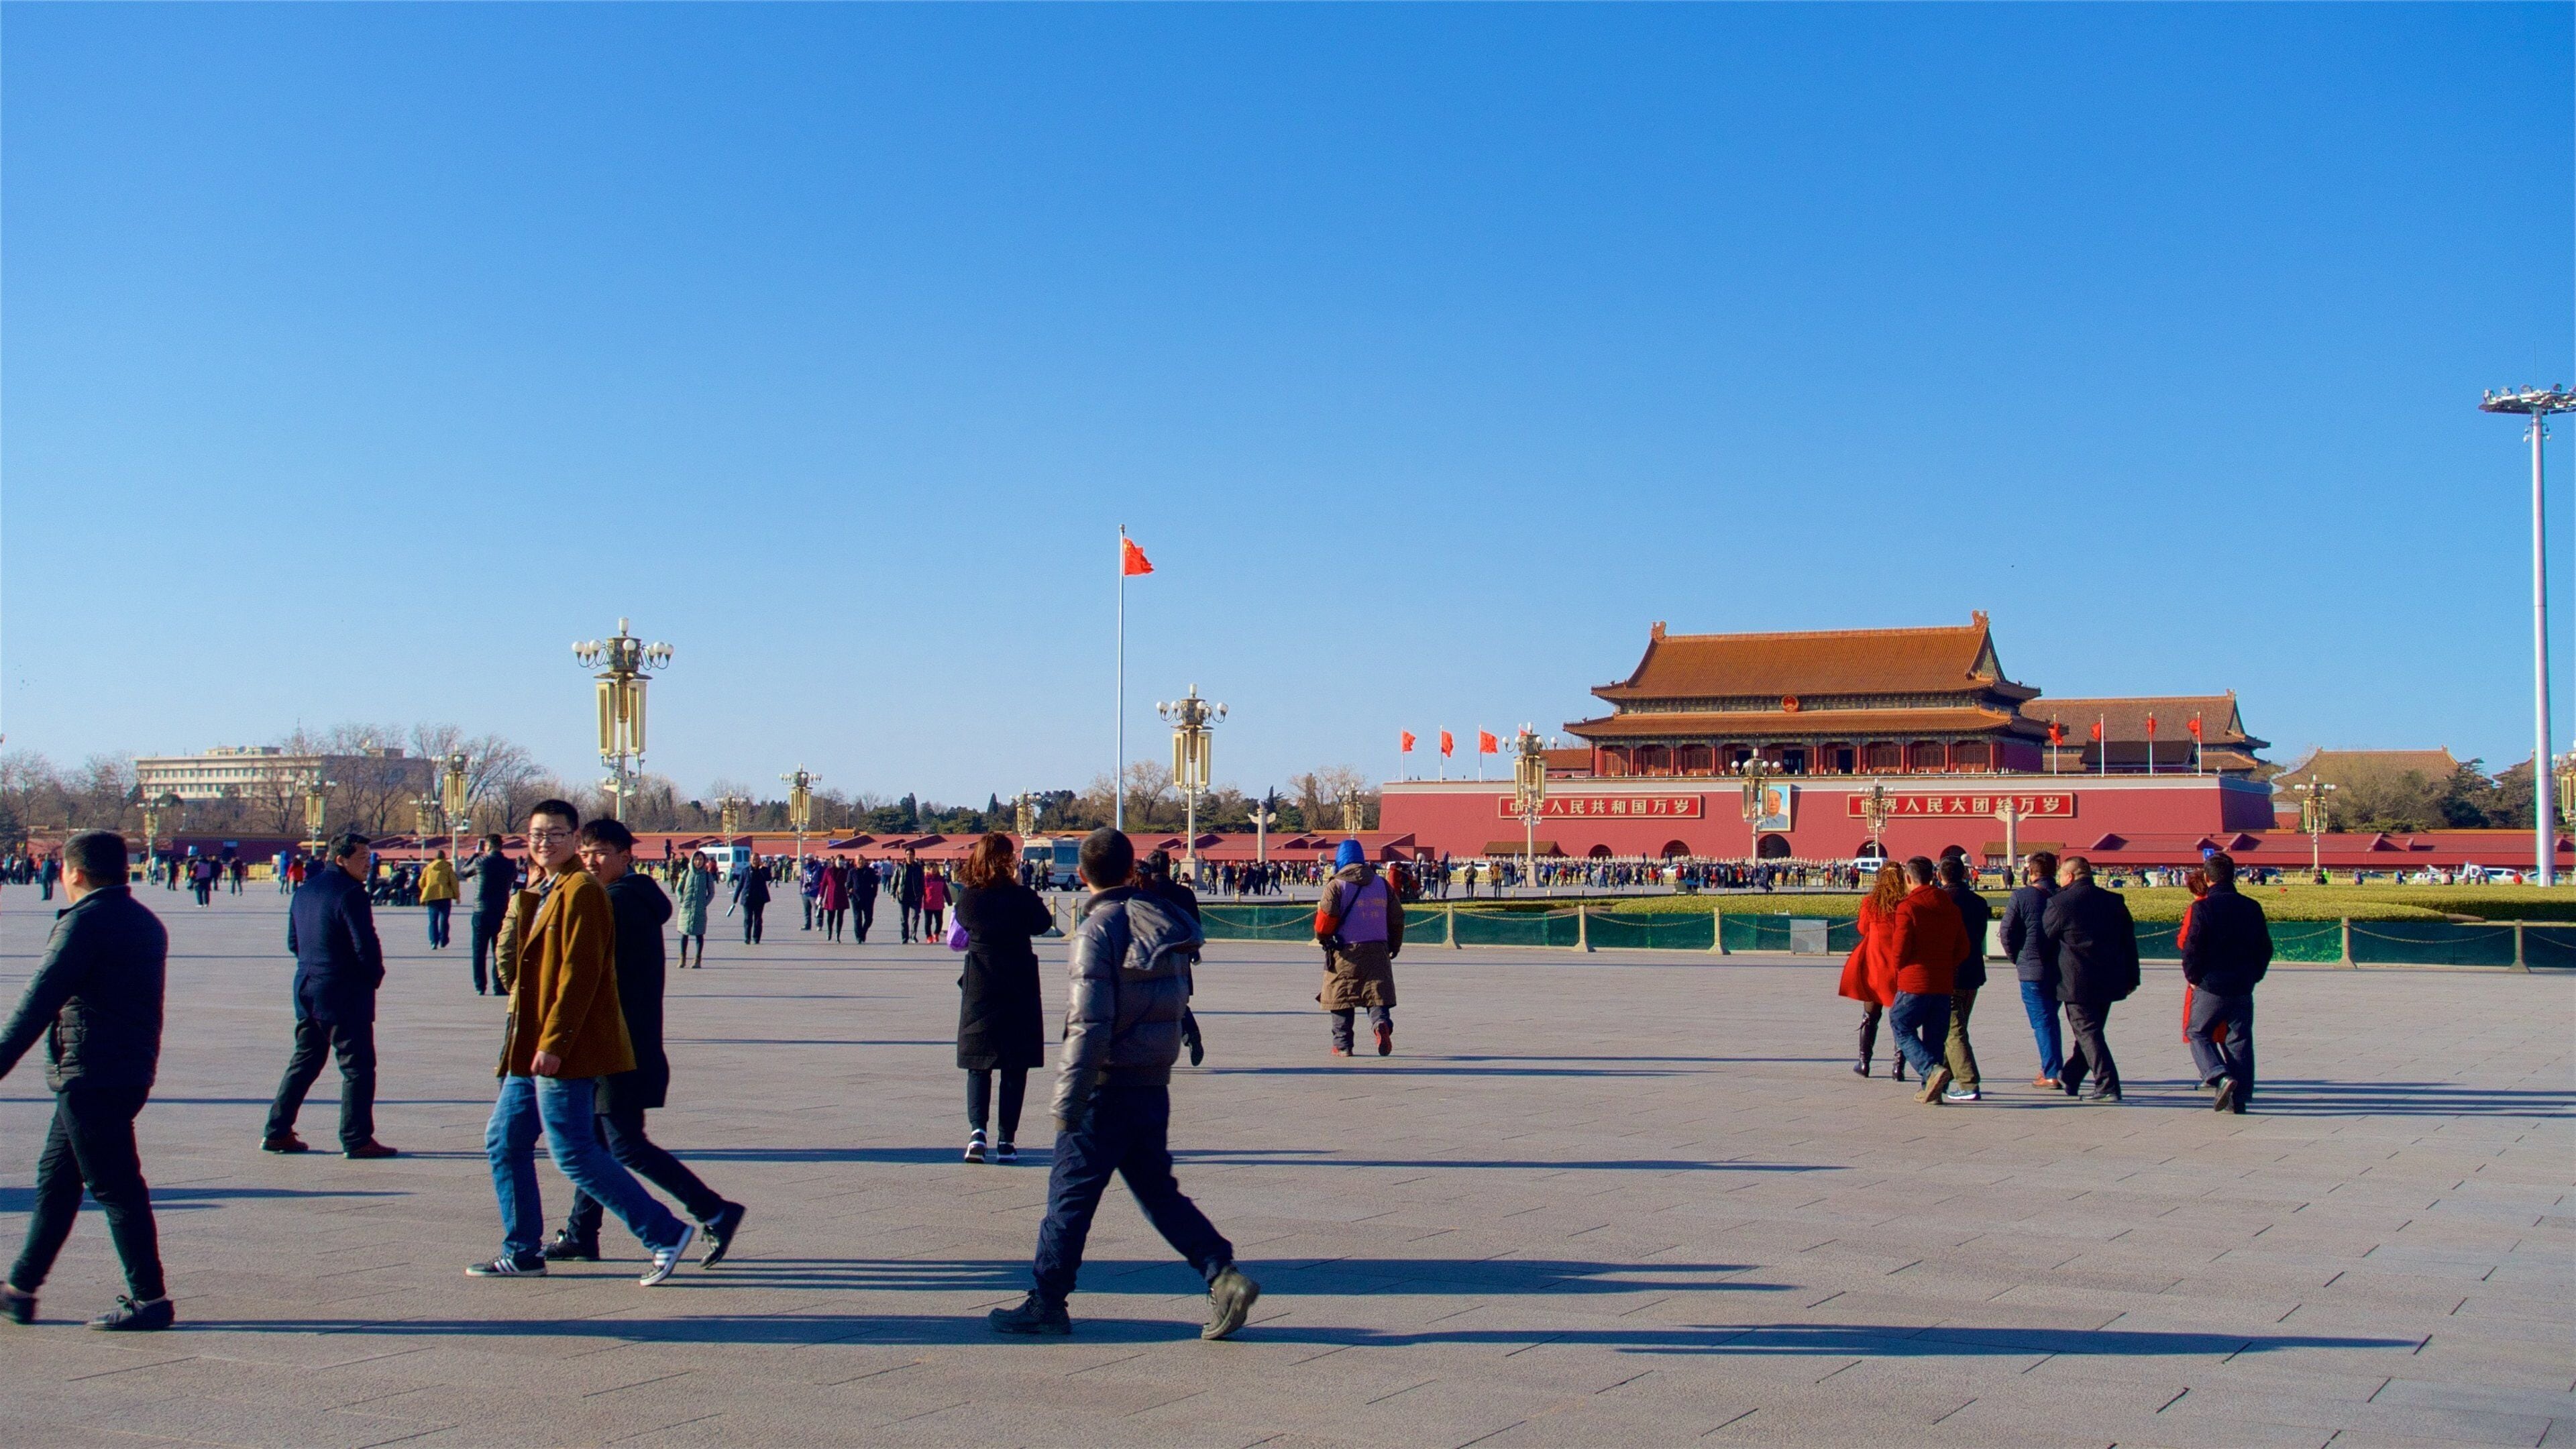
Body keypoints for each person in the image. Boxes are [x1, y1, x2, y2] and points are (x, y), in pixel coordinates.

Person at [988, 828, 1260, 1340]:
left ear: (1082, 875)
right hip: (1151, 1083)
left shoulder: (1097, 930)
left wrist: (1068, 1099)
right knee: (1158, 1192)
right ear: (1131, 869)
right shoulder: (1160, 921)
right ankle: (1223, 1275)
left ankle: (1047, 1301)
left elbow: (1089, 1024)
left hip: (1105, 1085)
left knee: (1068, 1200)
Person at [470, 800, 696, 1283]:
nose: (544, 843)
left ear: (574, 839)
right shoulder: (544, 888)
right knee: (504, 1139)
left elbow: (581, 974)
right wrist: (525, 895)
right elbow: (513, 966)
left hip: (562, 1046)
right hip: (528, 1042)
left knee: (574, 1151)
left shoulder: (583, 892)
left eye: (556, 834)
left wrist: (555, 1042)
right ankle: (522, 1250)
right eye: (537, 834)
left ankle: (663, 1232)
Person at [543, 820, 748, 1266]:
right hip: (620, 1042)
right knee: (595, 1144)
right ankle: (581, 1233)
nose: (591, 861)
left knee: (623, 1145)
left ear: (625, 856)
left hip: (619, 1046)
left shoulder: (617, 904)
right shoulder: (628, 898)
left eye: (601, 852)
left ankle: (714, 1210)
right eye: (586, 852)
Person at [0, 830, 174, 1331]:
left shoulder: (84, 923)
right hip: (126, 1069)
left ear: (74, 873)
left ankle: (151, 1299)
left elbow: (39, 999)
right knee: (57, 1181)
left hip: (90, 1073)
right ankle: (19, 1289)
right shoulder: (145, 920)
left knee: (116, 1186)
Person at [263, 831, 398, 1159]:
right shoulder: (351, 894)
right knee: (357, 1066)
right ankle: (357, 1138)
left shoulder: (304, 890)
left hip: (307, 987)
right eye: (362, 859)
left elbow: (294, 942)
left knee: (305, 1061)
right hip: (343, 992)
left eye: (369, 858)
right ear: (341, 860)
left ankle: (277, 1132)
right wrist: (373, 977)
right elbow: (365, 944)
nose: (368, 865)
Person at [953, 833, 1053, 1163]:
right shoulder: (1021, 897)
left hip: (981, 981)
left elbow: (965, 923)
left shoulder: (969, 898)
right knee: (1015, 1063)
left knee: (978, 1063)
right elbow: (1043, 924)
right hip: (1018, 981)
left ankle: (977, 1132)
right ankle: (1007, 1139)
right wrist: (1021, 887)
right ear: (1007, 860)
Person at [2039, 855, 2141, 1103]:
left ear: (2070, 876)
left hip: (2076, 980)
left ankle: (2107, 1085)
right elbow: (2129, 942)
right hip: (2109, 978)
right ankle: (2071, 1076)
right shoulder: (2113, 900)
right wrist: (2132, 977)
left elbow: (2045, 942)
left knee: (2088, 1033)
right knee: (2091, 1032)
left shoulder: (2060, 903)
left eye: (2061, 876)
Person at [2180, 851, 2270, 1114]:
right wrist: (2254, 975)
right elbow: (2265, 947)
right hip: (2242, 984)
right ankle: (2238, 1099)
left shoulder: (2203, 907)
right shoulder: (2252, 907)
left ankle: (2218, 1075)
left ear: (2208, 878)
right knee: (2238, 1039)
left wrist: (2194, 978)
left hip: (2211, 984)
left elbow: (2192, 948)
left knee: (2197, 1032)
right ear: (2234, 876)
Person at [1887, 857, 1970, 1105]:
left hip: (1915, 980)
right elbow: (1963, 948)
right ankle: (1932, 1091)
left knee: (1901, 1024)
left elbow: (1900, 950)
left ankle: (1930, 1070)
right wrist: (1946, 964)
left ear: (1908, 878)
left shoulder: (1909, 907)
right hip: (1943, 982)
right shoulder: (1950, 907)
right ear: (1933, 876)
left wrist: (1901, 969)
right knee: (1935, 1036)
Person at [1314, 839, 1401, 1057]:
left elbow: (1325, 921)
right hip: (1378, 949)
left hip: (1346, 952)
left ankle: (1343, 1045)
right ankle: (1380, 1023)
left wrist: (1323, 938)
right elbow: (1397, 917)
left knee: (1342, 996)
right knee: (1376, 992)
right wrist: (1394, 945)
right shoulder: (1382, 885)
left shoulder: (1336, 886)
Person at [1998, 851, 2063, 1089]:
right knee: (2050, 1019)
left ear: (2032, 872)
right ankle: (2050, 1066)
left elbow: (2006, 931)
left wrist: (2017, 958)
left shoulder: (2022, 896)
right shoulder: (2063, 895)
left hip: (2032, 969)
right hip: (2060, 969)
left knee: (2042, 1021)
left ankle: (2051, 1072)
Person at [1837, 863, 1906, 1079]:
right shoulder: (1906, 903)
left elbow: (1862, 928)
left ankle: (1864, 1062)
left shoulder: (1871, 902)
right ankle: (1898, 1067)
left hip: (1875, 964)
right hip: (1900, 965)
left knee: (1870, 1016)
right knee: (1901, 1018)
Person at [1937, 855, 1991, 1102]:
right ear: (1965, 874)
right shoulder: (1979, 902)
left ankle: (1968, 1083)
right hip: (1973, 971)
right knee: (1957, 1027)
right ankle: (1940, 1078)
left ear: (1940, 876)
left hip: (1950, 974)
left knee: (1953, 1030)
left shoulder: (1940, 901)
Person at [460, 835, 521, 996]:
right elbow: (515, 877)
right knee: (498, 950)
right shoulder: (509, 864)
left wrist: (475, 854)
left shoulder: (480, 862)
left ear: (487, 846)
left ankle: (480, 986)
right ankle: (499, 986)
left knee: (479, 951)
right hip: (501, 910)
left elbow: (464, 872)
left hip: (481, 911)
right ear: (501, 846)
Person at [673, 855, 713, 969]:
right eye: (696, 859)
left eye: (701, 860)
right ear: (692, 860)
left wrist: (704, 903)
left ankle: (697, 959)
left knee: (699, 935)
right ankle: (682, 958)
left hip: (700, 909)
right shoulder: (686, 873)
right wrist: (681, 900)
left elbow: (711, 892)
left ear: (704, 861)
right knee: (684, 933)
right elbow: (678, 889)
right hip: (686, 908)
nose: (698, 862)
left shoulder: (707, 875)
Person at [418, 849, 460, 951]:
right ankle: (443, 940)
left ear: (435, 857)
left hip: (431, 897)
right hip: (445, 896)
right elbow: (454, 883)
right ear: (444, 857)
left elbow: (421, 882)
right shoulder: (448, 868)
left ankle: (434, 942)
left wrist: (426, 889)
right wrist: (457, 896)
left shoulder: (428, 868)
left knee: (433, 920)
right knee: (444, 920)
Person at [730, 859, 769, 945]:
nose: (755, 861)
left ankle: (756, 938)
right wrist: (736, 897)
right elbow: (740, 884)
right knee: (748, 919)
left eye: (757, 859)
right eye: (754, 859)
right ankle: (747, 938)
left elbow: (768, 878)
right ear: (750, 861)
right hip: (748, 898)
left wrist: (762, 869)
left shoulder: (763, 870)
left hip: (759, 899)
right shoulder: (745, 871)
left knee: (758, 919)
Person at [897, 853, 925, 943]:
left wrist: (922, 894)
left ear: (914, 856)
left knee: (915, 916)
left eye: (911, 855)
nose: (909, 856)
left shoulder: (918, 868)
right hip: (903, 897)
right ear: (905, 856)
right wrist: (893, 893)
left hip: (915, 897)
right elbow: (895, 880)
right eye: (907, 855)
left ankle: (913, 936)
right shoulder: (900, 868)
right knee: (904, 919)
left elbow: (922, 882)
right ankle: (904, 938)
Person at [851, 857, 879, 943]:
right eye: (859, 860)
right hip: (856, 899)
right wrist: (850, 895)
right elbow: (848, 885)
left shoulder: (870, 871)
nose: (861, 861)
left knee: (869, 919)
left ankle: (863, 932)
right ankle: (858, 937)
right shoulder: (852, 872)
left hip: (868, 899)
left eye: (862, 860)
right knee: (857, 918)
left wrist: (874, 895)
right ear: (856, 862)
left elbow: (875, 883)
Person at [922, 867, 950, 943]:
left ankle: (936, 933)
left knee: (939, 921)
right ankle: (929, 936)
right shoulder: (925, 879)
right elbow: (921, 891)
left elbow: (945, 891)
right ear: (928, 870)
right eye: (932, 869)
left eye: (935, 868)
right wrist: (917, 901)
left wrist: (949, 901)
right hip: (928, 904)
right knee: (928, 922)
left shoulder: (941, 879)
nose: (934, 870)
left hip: (939, 904)